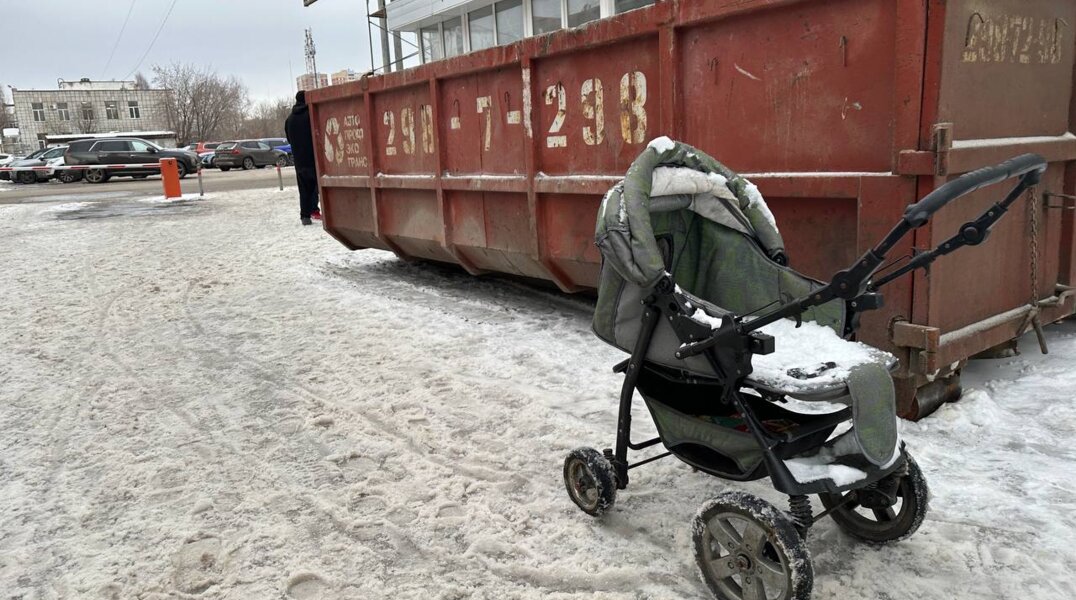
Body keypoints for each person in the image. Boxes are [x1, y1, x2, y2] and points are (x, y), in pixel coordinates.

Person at [284, 90, 321, 225]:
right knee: (317, 187)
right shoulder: (311, 115)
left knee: (304, 188)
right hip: (313, 158)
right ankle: (315, 210)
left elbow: (289, 139)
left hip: (299, 160)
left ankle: (305, 216)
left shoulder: (289, 119)